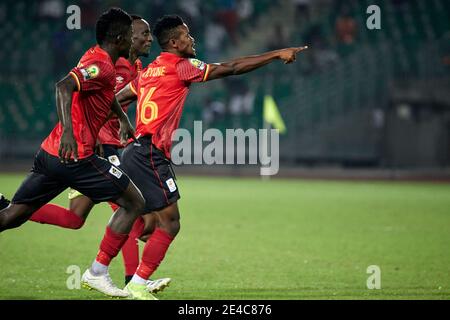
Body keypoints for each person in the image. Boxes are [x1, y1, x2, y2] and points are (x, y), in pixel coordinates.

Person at [81, 14, 308, 300]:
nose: (193, 40)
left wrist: (90, 127)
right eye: (188, 36)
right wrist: (276, 54)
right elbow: (232, 67)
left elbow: (116, 98)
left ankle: (102, 270)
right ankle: (135, 282)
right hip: (150, 154)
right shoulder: (181, 67)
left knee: (140, 218)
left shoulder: (148, 72)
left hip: (134, 152)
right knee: (170, 223)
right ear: (175, 43)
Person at [0, 8, 144, 298]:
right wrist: (68, 130)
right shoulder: (101, 65)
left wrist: (124, 120)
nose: (134, 40)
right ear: (119, 38)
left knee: (11, 216)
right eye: (131, 35)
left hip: (49, 155)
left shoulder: (103, 61)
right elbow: (63, 86)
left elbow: (105, 95)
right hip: (76, 156)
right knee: (134, 202)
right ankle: (98, 273)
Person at [26, 14, 171, 294]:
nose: (147, 38)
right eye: (142, 33)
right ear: (126, 38)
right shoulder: (109, 63)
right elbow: (84, 94)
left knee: (75, 218)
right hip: (99, 147)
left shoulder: (137, 66)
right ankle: (132, 280)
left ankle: (11, 208)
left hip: (101, 145)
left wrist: (129, 124)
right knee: (128, 208)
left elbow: (113, 100)